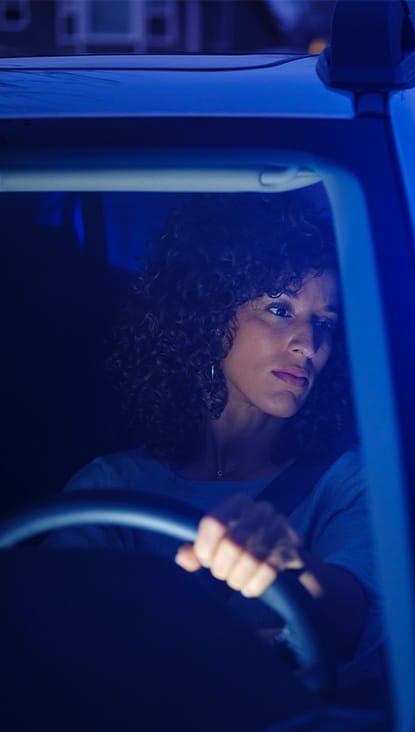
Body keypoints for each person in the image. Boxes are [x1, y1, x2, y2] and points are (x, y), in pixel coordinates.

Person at [45, 192, 382, 687]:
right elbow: (52, 645)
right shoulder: (109, 489)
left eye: (324, 323)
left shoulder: (350, 483)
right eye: (279, 308)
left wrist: (293, 568)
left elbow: (350, 616)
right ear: (208, 314)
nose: (308, 345)